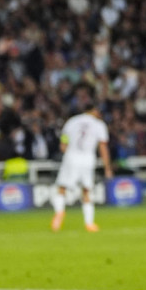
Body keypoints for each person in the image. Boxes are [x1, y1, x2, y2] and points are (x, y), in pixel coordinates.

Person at [51, 87, 112, 232]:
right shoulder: (99, 124)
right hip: (87, 158)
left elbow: (63, 144)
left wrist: (68, 151)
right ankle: (89, 223)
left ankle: (60, 212)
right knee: (86, 190)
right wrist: (107, 168)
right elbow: (103, 147)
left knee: (62, 187)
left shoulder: (71, 121)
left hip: (71, 156)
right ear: (94, 111)